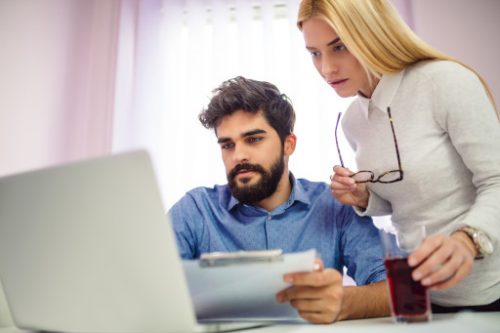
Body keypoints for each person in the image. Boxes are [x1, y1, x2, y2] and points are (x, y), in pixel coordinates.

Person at [297, 0, 500, 312]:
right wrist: (365, 197)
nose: (326, 68)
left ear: (371, 34)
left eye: (339, 47)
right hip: (421, 299)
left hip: (490, 294)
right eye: (314, 53)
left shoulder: (444, 82)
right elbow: (407, 201)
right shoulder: (353, 121)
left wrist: (465, 241)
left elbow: (496, 181)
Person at [168, 76, 390, 324]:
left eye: (253, 139)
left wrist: (344, 302)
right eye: (227, 145)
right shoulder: (195, 210)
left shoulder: (334, 206)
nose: (238, 155)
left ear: (288, 144)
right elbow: (151, 291)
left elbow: (394, 288)